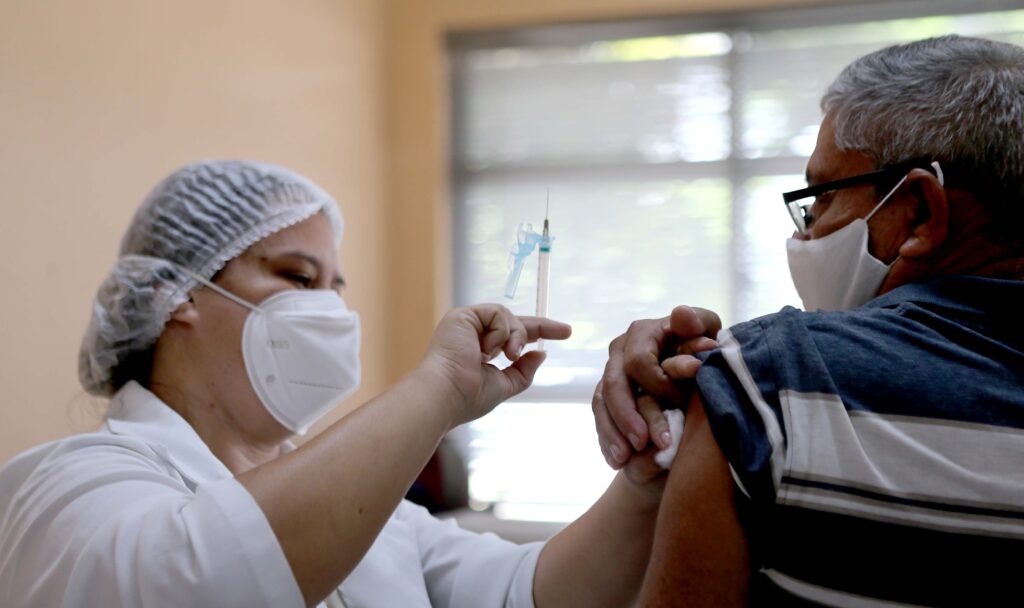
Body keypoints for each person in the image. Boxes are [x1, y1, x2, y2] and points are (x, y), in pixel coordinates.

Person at [0, 160, 667, 607]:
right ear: (176, 296)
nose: (328, 309)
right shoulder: (64, 490)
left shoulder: (378, 519)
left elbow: (526, 591)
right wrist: (436, 390)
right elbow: (198, 578)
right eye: (297, 277)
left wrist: (647, 473)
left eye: (334, 287)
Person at [593, 35, 1024, 606]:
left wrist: (737, 377)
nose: (806, 231)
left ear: (918, 211)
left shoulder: (774, 380)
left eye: (821, 197)